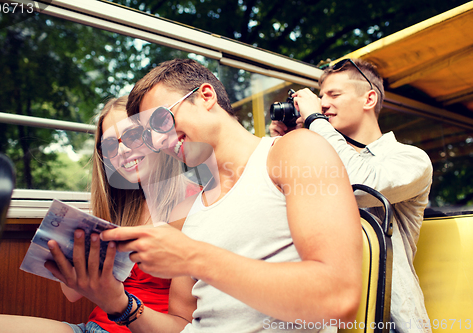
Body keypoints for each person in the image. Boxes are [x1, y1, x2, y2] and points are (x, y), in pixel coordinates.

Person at [53, 58, 364, 333]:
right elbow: (182, 324)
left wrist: (192, 256)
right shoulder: (195, 206)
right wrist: (119, 304)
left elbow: (339, 297)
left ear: (205, 96)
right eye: (150, 133)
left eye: (161, 119)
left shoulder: (294, 150)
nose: (159, 140)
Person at [0, 96, 200, 333]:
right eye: (111, 145)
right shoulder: (120, 206)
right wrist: (71, 256)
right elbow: (71, 295)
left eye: (133, 136)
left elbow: (182, 326)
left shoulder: (193, 205)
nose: (122, 150)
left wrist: (121, 304)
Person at [270, 58, 433, 333]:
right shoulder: (314, 154)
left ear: (369, 99)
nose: (322, 104)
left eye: (334, 95)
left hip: (389, 321)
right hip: (322, 317)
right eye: (320, 97)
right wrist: (285, 145)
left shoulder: (411, 158)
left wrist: (315, 122)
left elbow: (360, 183)